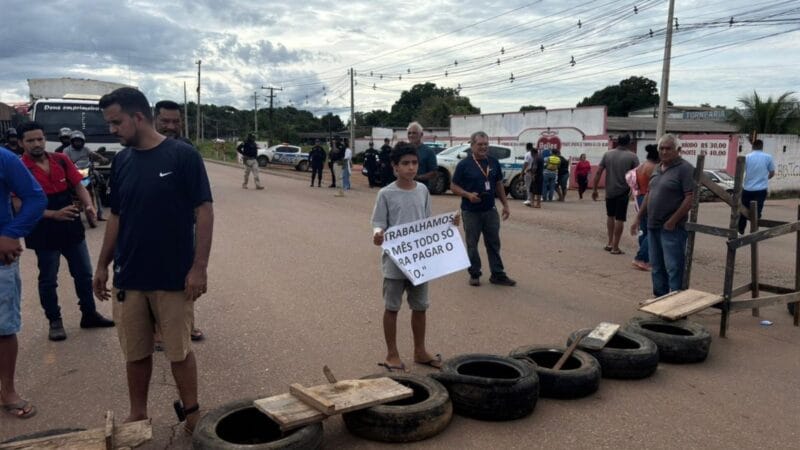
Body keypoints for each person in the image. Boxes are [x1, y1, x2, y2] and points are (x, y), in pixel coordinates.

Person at [94, 87, 213, 433]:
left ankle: (192, 414)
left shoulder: (182, 156)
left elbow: (204, 210)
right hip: (129, 276)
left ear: (138, 117)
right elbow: (116, 216)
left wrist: (199, 267)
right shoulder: (122, 161)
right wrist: (103, 264)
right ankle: (137, 414)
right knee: (135, 352)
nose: (112, 130)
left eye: (116, 122)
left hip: (173, 275)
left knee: (178, 351)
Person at [18, 122, 115, 341]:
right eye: (30, 140)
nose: (36, 144)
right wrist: (53, 214)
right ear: (23, 143)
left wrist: (89, 205)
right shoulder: (19, 168)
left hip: (70, 224)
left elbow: (80, 185)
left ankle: (89, 315)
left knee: (83, 273)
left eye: (40, 139)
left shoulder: (61, 159)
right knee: (49, 279)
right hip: (42, 228)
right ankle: (55, 321)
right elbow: (18, 206)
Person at [371, 143, 444, 372]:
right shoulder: (386, 193)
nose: (411, 168)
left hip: (419, 261)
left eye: (414, 163)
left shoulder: (423, 190)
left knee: (420, 306)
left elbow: (428, 221)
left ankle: (420, 350)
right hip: (394, 261)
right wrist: (378, 235)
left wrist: (448, 225)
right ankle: (392, 354)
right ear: (395, 167)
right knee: (392, 307)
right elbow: (378, 223)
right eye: (405, 163)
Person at [0, 140, 47, 419]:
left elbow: (35, 197)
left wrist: (11, 233)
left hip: (0, 258)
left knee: (3, 328)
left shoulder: (4, 158)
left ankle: (7, 390)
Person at [154, 100, 205, 343]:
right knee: (152, 279)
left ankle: (187, 324)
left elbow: (200, 196)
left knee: (186, 278)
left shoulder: (187, 150)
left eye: (175, 122)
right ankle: (156, 329)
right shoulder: (145, 149)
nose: (170, 126)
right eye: (165, 121)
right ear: (154, 120)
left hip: (183, 228)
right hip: (151, 228)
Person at [630, 134, 694, 297]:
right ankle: (659, 299)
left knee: (673, 266)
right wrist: (638, 217)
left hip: (672, 229)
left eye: (668, 148)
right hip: (653, 225)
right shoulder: (658, 168)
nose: (664, 152)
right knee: (656, 266)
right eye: (662, 148)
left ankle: (675, 302)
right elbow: (649, 194)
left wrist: (673, 221)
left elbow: (690, 197)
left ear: (678, 150)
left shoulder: (685, 169)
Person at [451, 131, 516, 287]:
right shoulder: (464, 165)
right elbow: (453, 186)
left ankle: (497, 274)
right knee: (472, 244)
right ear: (472, 145)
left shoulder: (493, 162)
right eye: (480, 144)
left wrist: (505, 205)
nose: (483, 147)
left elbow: (499, 184)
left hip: (490, 210)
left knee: (494, 243)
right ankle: (474, 273)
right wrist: (467, 195)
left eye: (486, 144)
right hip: (470, 211)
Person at [592, 134, 639, 255]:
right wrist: (634, 191)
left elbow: (598, 172)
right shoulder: (632, 156)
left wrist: (595, 189)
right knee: (620, 218)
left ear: (617, 142)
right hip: (624, 192)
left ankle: (609, 243)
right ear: (629, 142)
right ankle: (615, 247)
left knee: (610, 216)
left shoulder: (608, 154)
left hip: (610, 191)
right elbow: (636, 176)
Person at [64, 130, 109, 223]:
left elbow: (94, 155)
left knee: (98, 180)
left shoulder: (86, 149)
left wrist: (102, 159)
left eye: (79, 141)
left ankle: (100, 214)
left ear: (83, 141)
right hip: (74, 173)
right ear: (72, 141)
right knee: (65, 187)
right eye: (76, 141)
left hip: (87, 171)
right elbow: (64, 160)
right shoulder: (67, 150)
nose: (78, 143)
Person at [738, 139, 775, 234]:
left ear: (753, 146)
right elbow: (772, 173)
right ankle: (754, 231)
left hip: (747, 189)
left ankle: (740, 231)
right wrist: (764, 179)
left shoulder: (747, 157)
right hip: (761, 190)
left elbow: (741, 171)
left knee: (743, 211)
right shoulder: (768, 157)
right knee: (757, 211)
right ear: (762, 147)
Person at [632, 145, 659, 271]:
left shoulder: (642, 165)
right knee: (653, 230)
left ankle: (645, 257)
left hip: (640, 197)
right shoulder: (654, 168)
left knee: (644, 230)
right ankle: (642, 257)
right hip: (649, 199)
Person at [406, 122, 437, 188]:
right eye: (409, 133)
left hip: (421, 189)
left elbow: (433, 172)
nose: (411, 135)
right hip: (404, 187)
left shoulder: (429, 151)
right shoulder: (402, 150)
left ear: (421, 134)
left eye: (414, 133)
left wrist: (418, 177)